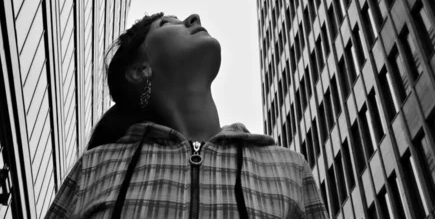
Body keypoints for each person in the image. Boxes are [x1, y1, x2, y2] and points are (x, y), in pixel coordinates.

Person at [45, 12, 329, 218]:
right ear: (139, 70)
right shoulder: (94, 168)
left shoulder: (289, 168)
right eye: (169, 23)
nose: (193, 18)